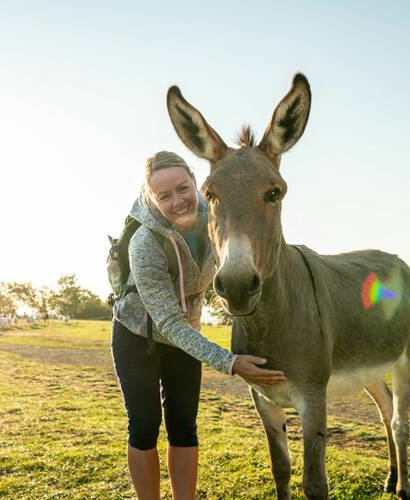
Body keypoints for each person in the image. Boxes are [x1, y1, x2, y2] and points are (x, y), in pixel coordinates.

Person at [111, 151, 286, 500]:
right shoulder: (145, 243)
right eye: (164, 196)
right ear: (151, 197)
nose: (177, 201)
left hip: (186, 336)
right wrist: (230, 362)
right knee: (144, 426)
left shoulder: (217, 219)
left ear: (195, 181)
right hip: (137, 336)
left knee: (184, 427)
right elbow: (168, 322)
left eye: (182, 188)